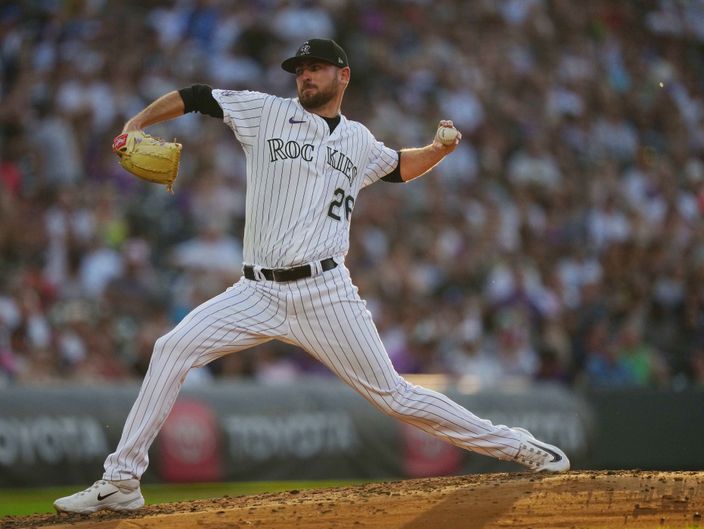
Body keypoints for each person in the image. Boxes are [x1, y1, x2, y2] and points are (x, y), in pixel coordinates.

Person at [54, 38, 570, 515]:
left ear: (342, 76)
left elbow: (397, 167)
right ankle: (122, 480)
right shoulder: (265, 112)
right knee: (172, 348)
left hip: (325, 292)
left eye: (315, 68)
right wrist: (136, 124)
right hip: (255, 290)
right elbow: (194, 96)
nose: (304, 76)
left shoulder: (360, 140)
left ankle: (517, 445)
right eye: (299, 69)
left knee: (394, 395)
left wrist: (438, 151)